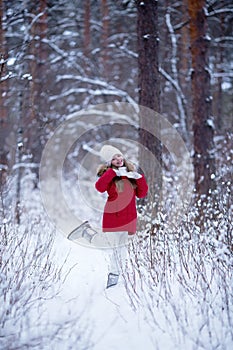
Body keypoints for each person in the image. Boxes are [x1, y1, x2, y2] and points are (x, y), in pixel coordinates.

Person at [95, 145, 148, 236]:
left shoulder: (131, 174)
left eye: (118, 156)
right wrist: (112, 173)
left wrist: (139, 178)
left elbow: (141, 194)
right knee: (113, 247)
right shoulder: (109, 175)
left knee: (127, 248)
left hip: (130, 217)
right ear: (109, 163)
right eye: (114, 159)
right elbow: (100, 187)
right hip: (113, 217)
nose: (118, 159)